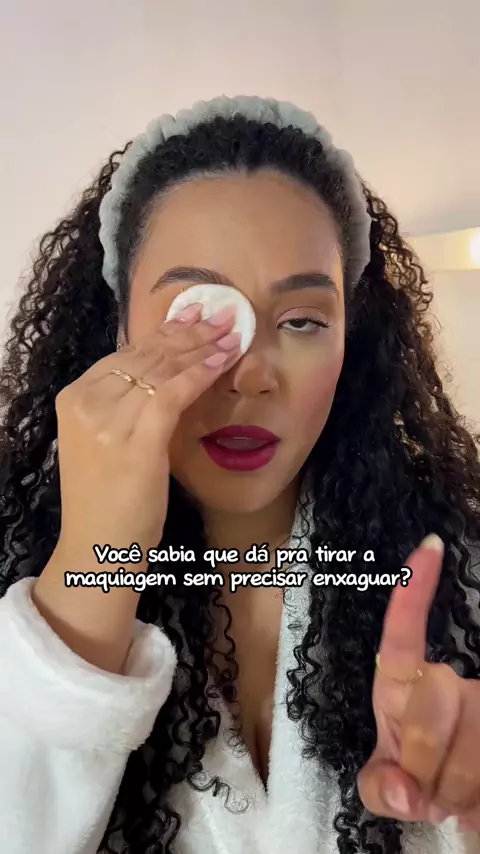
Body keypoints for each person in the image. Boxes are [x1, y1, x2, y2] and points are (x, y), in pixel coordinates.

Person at [0, 94, 479, 854]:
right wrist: (94, 560)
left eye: (302, 322)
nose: (252, 375)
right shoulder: (16, 563)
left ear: (351, 341)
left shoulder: (458, 577)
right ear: (118, 329)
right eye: (198, 318)